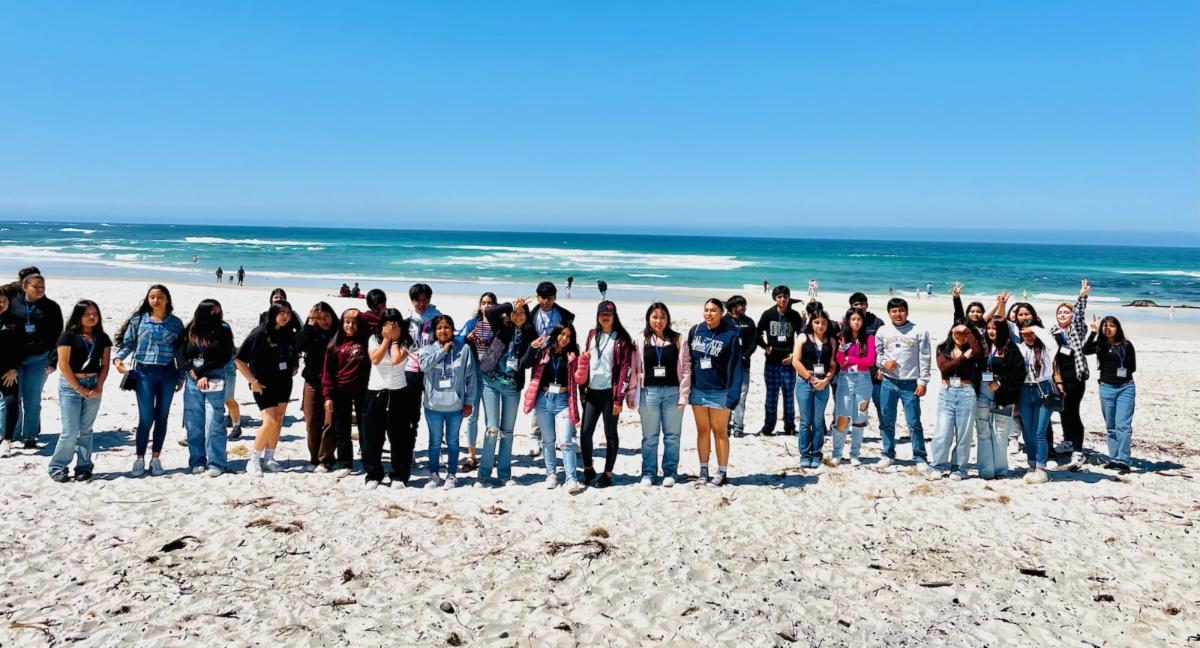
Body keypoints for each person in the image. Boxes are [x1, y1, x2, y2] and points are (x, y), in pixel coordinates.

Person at [114, 285, 184, 477]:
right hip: (143, 373)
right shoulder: (139, 320)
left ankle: (156, 458)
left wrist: (181, 376)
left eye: (160, 297)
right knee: (145, 418)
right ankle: (139, 458)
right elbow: (128, 344)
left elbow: (180, 353)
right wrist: (118, 359)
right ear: (148, 299)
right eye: (152, 297)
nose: (156, 300)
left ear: (167, 299)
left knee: (162, 417)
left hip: (168, 374)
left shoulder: (176, 324)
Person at [475, 297, 536, 487]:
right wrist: (511, 305)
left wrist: (532, 348)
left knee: (507, 432)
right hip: (491, 382)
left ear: (527, 316)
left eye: (522, 313)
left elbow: (526, 364)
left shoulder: (530, 333)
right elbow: (490, 312)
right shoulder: (502, 326)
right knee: (492, 429)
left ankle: (504, 474)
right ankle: (483, 474)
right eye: (515, 313)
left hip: (512, 386)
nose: (518, 316)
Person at [629, 302, 691, 487]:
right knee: (650, 437)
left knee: (672, 436)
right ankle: (648, 473)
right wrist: (631, 394)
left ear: (668, 319)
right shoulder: (640, 339)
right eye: (655, 317)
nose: (659, 321)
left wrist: (684, 395)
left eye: (663, 317)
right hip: (648, 393)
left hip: (673, 393)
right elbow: (633, 369)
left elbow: (686, 368)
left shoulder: (678, 339)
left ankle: (670, 472)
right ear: (648, 318)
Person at [235, 300, 300, 476]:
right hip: (263, 384)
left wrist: (293, 365)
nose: (285, 316)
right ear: (273, 314)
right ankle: (253, 460)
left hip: (284, 382)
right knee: (270, 421)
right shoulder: (259, 333)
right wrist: (253, 381)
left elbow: (294, 352)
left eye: (288, 313)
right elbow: (239, 359)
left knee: (278, 420)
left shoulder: (289, 332)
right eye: (282, 312)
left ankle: (269, 458)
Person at [49, 300, 111, 482]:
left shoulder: (102, 337)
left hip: (94, 384)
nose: (92, 317)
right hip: (71, 385)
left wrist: (98, 386)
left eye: (95, 314)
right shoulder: (68, 336)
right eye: (87, 314)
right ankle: (57, 467)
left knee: (86, 430)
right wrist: (78, 387)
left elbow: (105, 364)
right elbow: (63, 364)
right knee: (70, 430)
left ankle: (84, 466)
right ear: (78, 316)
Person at [576, 300, 635, 488]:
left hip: (610, 394)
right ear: (598, 316)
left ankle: (607, 475)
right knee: (585, 432)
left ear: (614, 316)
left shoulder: (621, 339)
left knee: (610, 433)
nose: (606, 317)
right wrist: (582, 389)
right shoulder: (592, 334)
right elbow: (585, 361)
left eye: (609, 314)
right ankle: (588, 469)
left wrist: (619, 399)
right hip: (592, 392)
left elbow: (625, 369)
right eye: (603, 314)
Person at [521, 322, 584, 493]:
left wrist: (584, 362)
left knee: (565, 441)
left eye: (568, 336)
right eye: (562, 334)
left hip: (563, 400)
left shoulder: (573, 355)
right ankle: (551, 474)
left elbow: (580, 379)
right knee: (548, 441)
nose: (564, 338)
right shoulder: (543, 351)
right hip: (544, 399)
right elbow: (525, 363)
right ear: (556, 334)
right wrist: (532, 347)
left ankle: (571, 478)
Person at [688, 298, 744, 486]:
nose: (709, 313)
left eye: (713, 310)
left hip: (720, 391)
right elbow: (689, 360)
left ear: (721, 313)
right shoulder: (696, 330)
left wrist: (733, 395)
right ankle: (703, 470)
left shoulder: (730, 335)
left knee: (720, 432)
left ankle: (722, 471)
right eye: (706, 310)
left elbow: (736, 367)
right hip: (698, 390)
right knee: (702, 430)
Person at [178, 299, 235, 477]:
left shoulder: (223, 329)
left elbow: (225, 355)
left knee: (214, 422)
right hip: (192, 379)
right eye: (212, 311)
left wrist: (203, 372)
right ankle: (197, 460)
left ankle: (217, 462)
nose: (216, 314)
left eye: (218, 311)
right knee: (193, 422)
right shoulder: (191, 328)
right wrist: (191, 370)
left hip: (215, 377)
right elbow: (180, 353)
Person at [419, 315, 477, 489]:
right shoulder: (428, 349)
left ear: (452, 329)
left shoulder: (464, 349)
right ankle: (434, 474)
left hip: (455, 406)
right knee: (435, 441)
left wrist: (469, 402)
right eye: (439, 328)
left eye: (446, 327)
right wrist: (443, 351)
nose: (443, 331)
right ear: (434, 331)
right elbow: (424, 366)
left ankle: (452, 474)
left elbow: (471, 377)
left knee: (453, 441)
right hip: (433, 406)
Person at [874, 298, 931, 470]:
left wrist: (923, 382)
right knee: (887, 421)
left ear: (907, 311)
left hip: (910, 384)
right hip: (888, 382)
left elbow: (925, 358)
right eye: (894, 311)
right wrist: (884, 363)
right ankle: (887, 453)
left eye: (901, 310)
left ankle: (920, 457)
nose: (897, 314)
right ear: (889, 313)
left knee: (914, 422)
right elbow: (877, 354)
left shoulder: (919, 331)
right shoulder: (882, 331)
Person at [9, 271, 63, 449]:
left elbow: (58, 335)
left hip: (39, 359)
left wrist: (53, 360)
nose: (40, 289)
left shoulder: (52, 307)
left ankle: (30, 435)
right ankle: (11, 434)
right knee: (12, 398)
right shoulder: (12, 304)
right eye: (36, 286)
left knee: (32, 398)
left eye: (43, 287)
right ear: (24, 287)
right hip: (14, 360)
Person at [362, 308, 415, 488]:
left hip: (398, 391)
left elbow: (396, 359)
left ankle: (399, 475)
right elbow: (375, 359)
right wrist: (386, 339)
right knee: (372, 435)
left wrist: (395, 340)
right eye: (386, 324)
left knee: (399, 436)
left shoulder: (407, 341)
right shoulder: (373, 339)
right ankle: (373, 474)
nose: (390, 327)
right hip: (375, 391)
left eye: (394, 324)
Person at [928, 323, 982, 480]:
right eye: (957, 332)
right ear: (951, 332)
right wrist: (964, 357)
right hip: (947, 392)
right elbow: (944, 368)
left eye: (964, 334)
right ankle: (937, 465)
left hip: (966, 392)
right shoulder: (942, 348)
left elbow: (978, 352)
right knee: (942, 433)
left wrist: (969, 332)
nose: (960, 336)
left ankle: (959, 468)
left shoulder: (973, 349)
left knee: (964, 434)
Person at [528, 281, 575, 457]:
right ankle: (535, 436)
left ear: (555, 298)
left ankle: (570, 435)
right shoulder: (531, 315)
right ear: (537, 297)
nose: (546, 301)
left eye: (549, 298)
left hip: (559, 359)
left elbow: (570, 336)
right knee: (537, 394)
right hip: (540, 360)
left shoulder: (563, 315)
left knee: (567, 394)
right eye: (542, 298)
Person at [1084, 316, 1136, 474]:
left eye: (1111, 326)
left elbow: (1132, 367)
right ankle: (1114, 459)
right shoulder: (1100, 345)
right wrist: (1093, 332)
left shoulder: (1127, 345)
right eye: (1105, 326)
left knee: (1123, 426)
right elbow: (1085, 350)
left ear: (1117, 328)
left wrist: (1120, 373)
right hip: (1106, 388)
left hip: (1125, 387)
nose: (1108, 328)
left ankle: (1124, 460)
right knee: (1111, 426)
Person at [322, 309, 370, 477]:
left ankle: (368, 461)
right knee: (342, 430)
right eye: (347, 322)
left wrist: (358, 314)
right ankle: (345, 463)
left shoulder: (366, 339)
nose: (350, 325)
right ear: (341, 324)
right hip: (340, 391)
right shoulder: (333, 345)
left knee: (365, 428)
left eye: (354, 322)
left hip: (363, 391)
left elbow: (375, 321)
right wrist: (327, 396)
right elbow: (327, 373)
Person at [975, 317, 1023, 479]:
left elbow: (1018, 375)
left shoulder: (1011, 348)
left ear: (1002, 329)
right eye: (988, 328)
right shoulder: (983, 346)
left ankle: (1000, 470)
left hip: (1003, 397)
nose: (991, 331)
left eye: (994, 328)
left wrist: (1000, 383)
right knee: (983, 432)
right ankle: (986, 470)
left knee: (1000, 434)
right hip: (983, 394)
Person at [1051, 280, 1091, 469]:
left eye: (1066, 312)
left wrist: (1081, 297)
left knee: (1073, 412)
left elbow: (1079, 315)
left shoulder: (1077, 330)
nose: (1062, 314)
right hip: (1060, 378)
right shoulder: (1053, 331)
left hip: (1075, 377)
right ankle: (1067, 442)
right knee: (1063, 411)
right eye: (1059, 312)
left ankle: (1078, 450)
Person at [457, 292, 498, 473]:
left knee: (491, 420)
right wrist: (467, 338)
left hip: (491, 377)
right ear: (479, 305)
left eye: (490, 303)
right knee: (472, 416)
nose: (486, 306)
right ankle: (471, 455)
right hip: (473, 376)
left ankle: (488, 455)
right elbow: (457, 339)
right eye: (483, 302)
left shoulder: (499, 324)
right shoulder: (472, 323)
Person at [1015, 324, 1061, 484]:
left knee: (1040, 431)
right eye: (1025, 334)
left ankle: (1041, 468)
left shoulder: (1047, 350)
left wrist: (1034, 328)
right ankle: (1032, 464)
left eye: (1032, 334)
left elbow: (1051, 341)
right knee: (1028, 431)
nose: (1028, 337)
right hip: (1024, 390)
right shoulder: (1019, 348)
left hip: (1043, 389)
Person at [755, 285, 803, 436]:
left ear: (788, 298)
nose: (782, 299)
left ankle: (790, 427)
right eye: (779, 297)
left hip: (789, 361)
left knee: (788, 395)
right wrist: (765, 346)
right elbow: (757, 333)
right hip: (772, 362)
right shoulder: (768, 314)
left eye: (785, 297)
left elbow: (802, 336)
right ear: (775, 299)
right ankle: (768, 427)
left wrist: (794, 355)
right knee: (771, 396)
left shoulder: (794, 315)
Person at [792, 308, 837, 470]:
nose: (820, 326)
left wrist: (826, 380)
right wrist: (810, 378)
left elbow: (832, 365)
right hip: (805, 382)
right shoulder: (803, 337)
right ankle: (805, 454)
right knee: (805, 421)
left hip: (822, 383)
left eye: (823, 323)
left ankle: (817, 453)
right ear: (811, 322)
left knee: (818, 421)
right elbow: (796, 361)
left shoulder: (831, 340)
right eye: (817, 322)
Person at [297, 302, 338, 471]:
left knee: (330, 422)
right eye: (320, 318)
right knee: (312, 420)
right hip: (313, 382)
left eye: (327, 316)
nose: (325, 321)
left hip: (333, 384)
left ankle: (326, 459)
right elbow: (300, 345)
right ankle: (314, 458)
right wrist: (310, 324)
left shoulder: (338, 332)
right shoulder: (311, 332)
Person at [832, 308, 875, 466]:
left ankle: (855, 454)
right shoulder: (842, 338)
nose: (856, 322)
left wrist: (850, 358)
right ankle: (837, 453)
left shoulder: (869, 338)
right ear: (848, 321)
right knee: (842, 416)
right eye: (853, 319)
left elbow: (870, 360)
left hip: (864, 380)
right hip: (845, 379)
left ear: (863, 321)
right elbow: (840, 360)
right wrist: (843, 352)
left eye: (859, 319)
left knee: (859, 418)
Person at [403, 283, 441, 453]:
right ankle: (410, 449)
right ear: (412, 300)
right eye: (417, 300)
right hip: (411, 370)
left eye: (425, 300)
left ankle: (436, 449)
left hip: (432, 369)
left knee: (435, 410)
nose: (421, 303)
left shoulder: (437, 318)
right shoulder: (406, 318)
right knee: (411, 412)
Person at [845, 293, 885, 422]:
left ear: (867, 305)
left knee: (880, 402)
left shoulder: (877, 322)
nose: (860, 306)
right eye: (856, 304)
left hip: (875, 371)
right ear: (851, 306)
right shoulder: (847, 322)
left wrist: (882, 368)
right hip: (855, 371)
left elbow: (885, 346)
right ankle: (851, 427)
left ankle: (884, 429)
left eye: (862, 304)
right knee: (853, 403)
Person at [725, 295, 756, 438]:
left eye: (745, 305)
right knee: (726, 394)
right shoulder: (724, 321)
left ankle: (738, 427)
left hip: (743, 364)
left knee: (742, 396)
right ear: (733, 307)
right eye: (741, 305)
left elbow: (753, 342)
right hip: (726, 365)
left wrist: (745, 355)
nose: (744, 307)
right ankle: (725, 425)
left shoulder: (749, 322)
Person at [0, 292, 23, 457]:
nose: (2, 304)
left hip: (8, 372)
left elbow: (21, 348)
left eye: (4, 301)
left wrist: (14, 369)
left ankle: (7, 440)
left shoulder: (16, 321)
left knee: (11, 402)